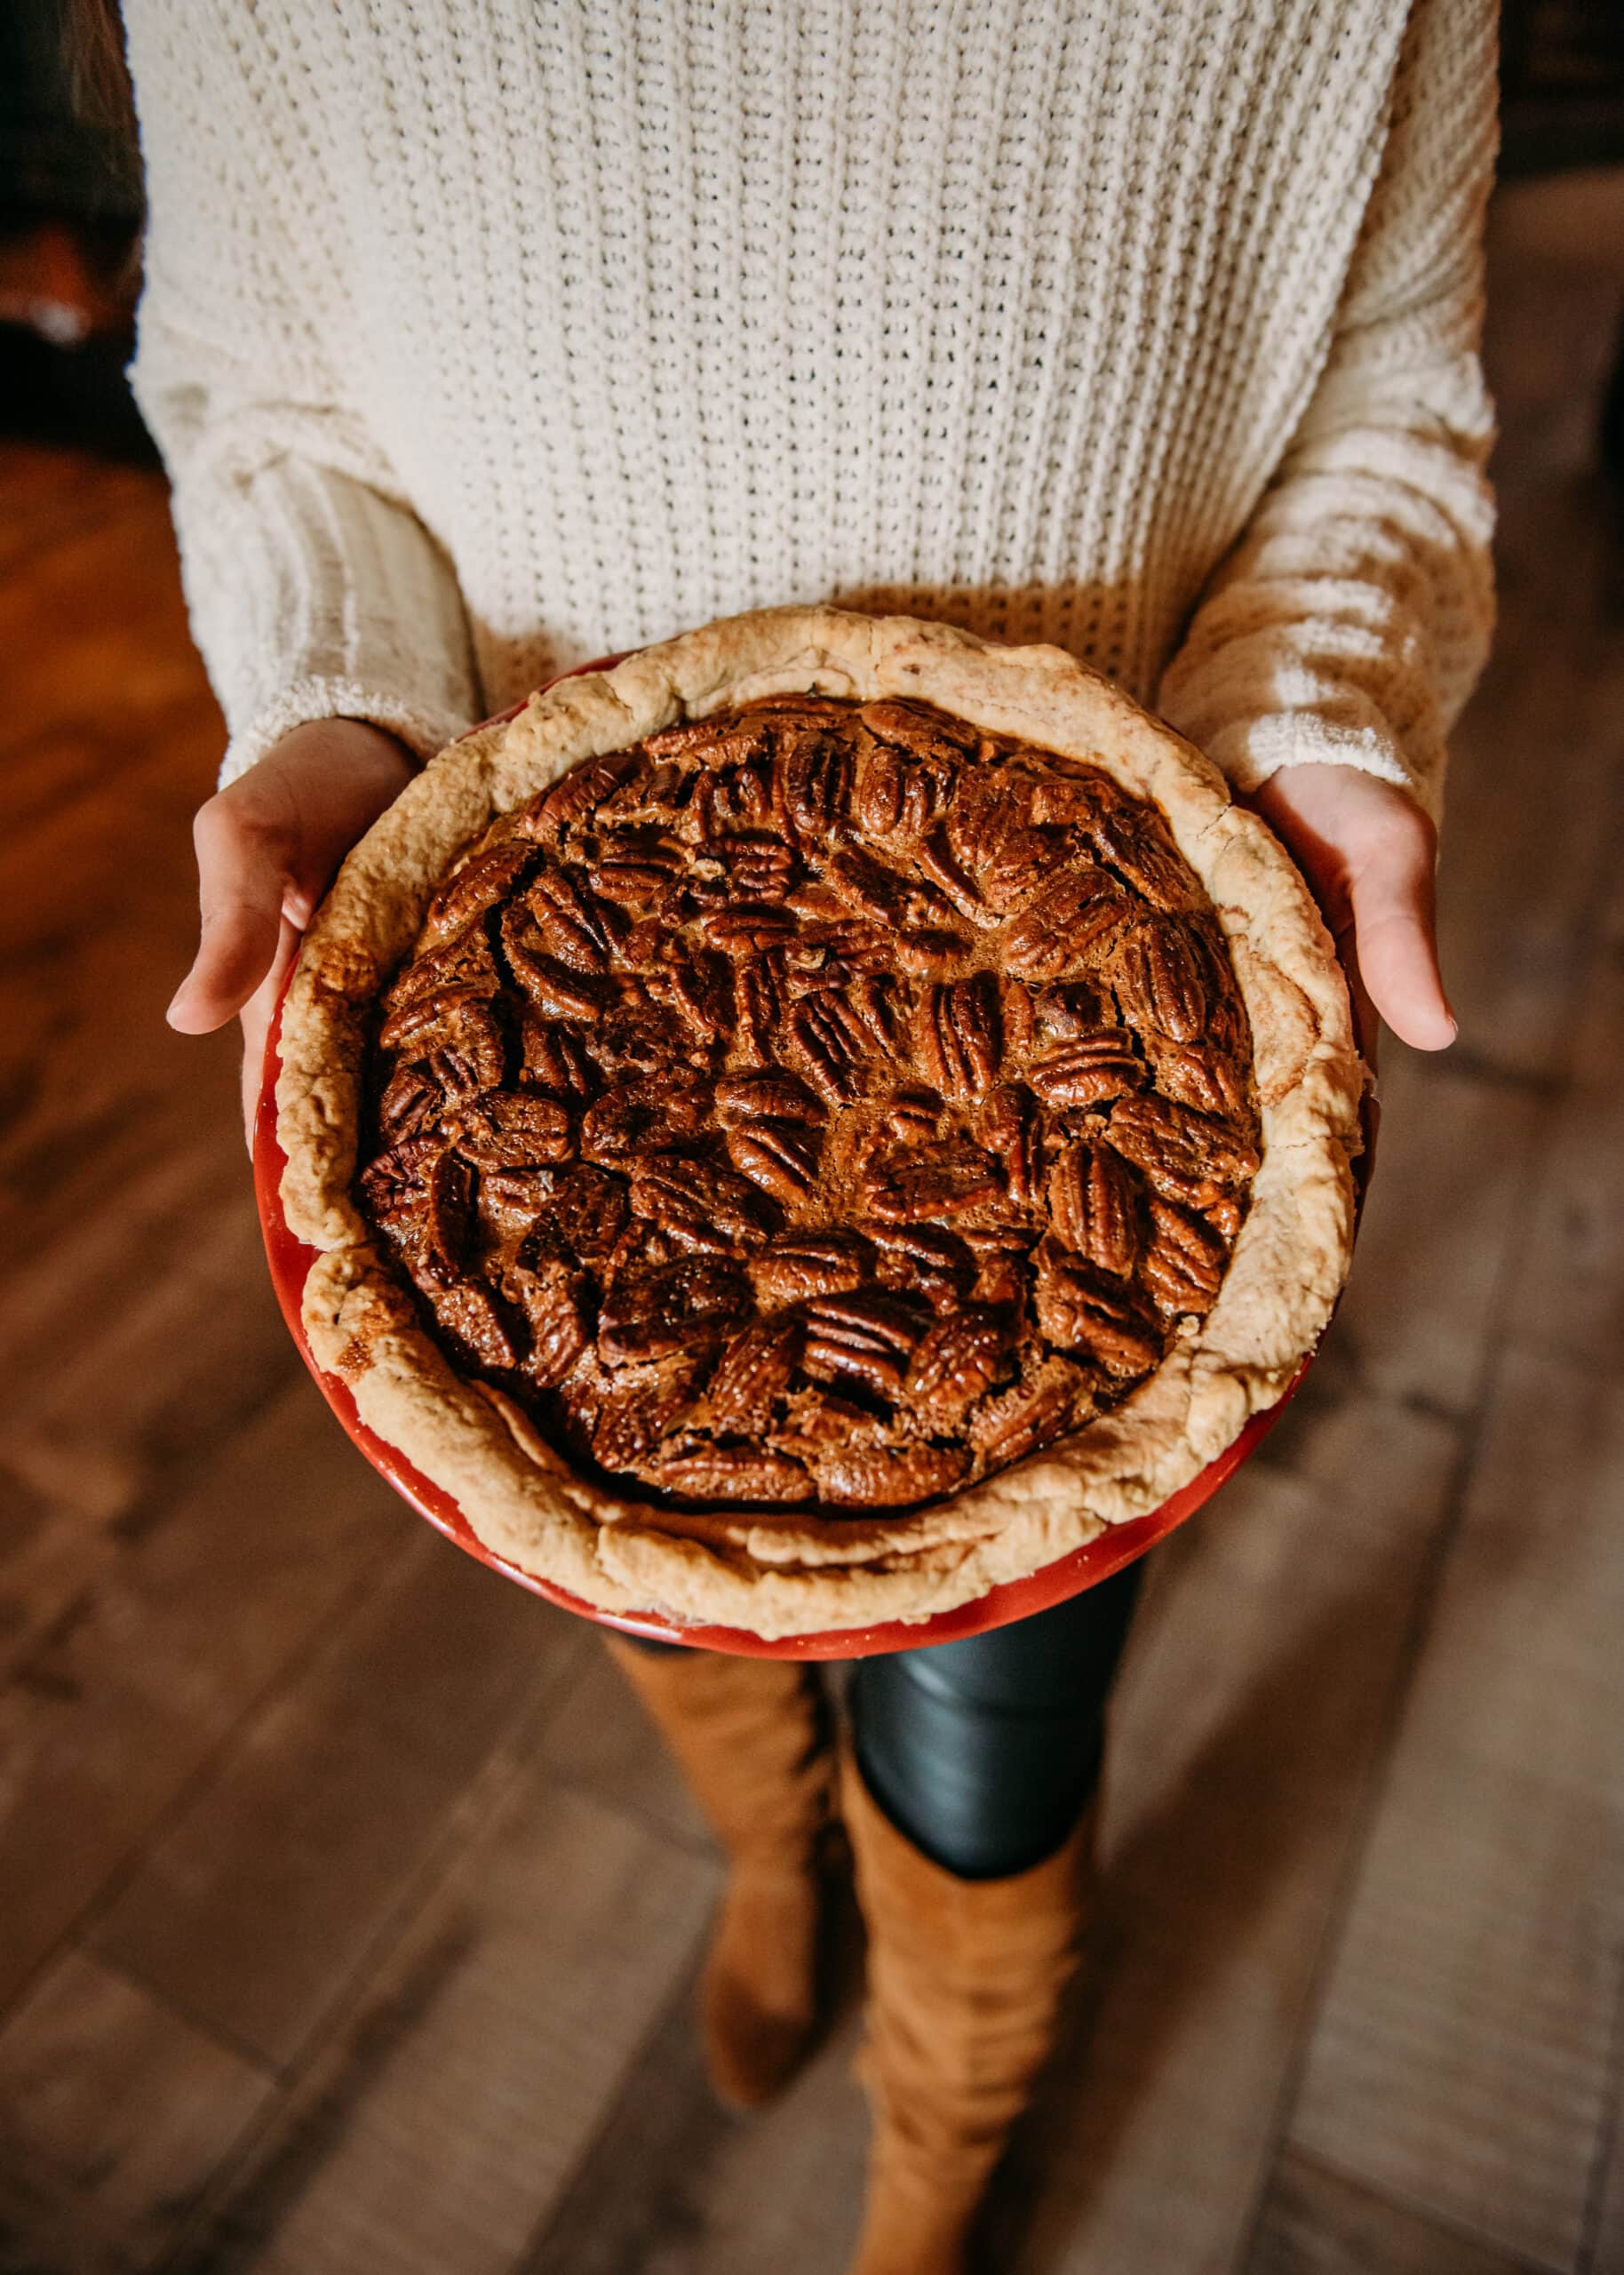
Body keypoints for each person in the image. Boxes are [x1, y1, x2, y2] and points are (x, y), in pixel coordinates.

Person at [128, 2, 1496, 2267]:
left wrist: (1316, 711)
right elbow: (271, 408)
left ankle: (938, 2135)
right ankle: (770, 1844)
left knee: (998, 1723)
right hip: (550, 1002)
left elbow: (1380, 414)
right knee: (637, 1499)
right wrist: (338, 702)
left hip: (1108, 923)